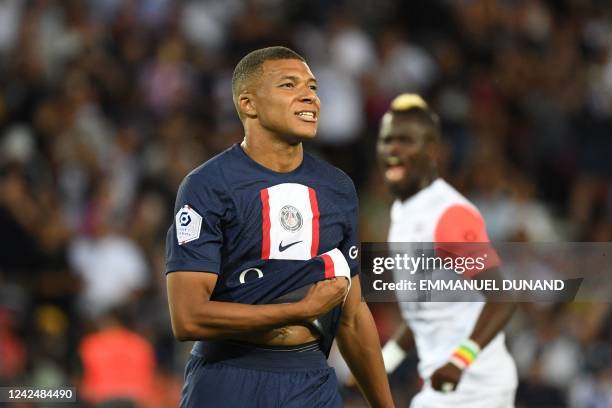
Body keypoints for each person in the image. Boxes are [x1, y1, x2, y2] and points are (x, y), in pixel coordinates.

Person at [165, 46, 393, 408]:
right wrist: (297, 310)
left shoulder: (337, 188)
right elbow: (188, 318)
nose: (309, 96)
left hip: (310, 379)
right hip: (228, 377)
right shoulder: (208, 185)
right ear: (248, 104)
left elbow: (351, 317)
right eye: (289, 85)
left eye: (313, 87)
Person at [377, 94, 518, 407]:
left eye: (405, 141)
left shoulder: (447, 215)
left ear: (433, 151)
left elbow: (503, 299)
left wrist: (459, 361)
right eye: (386, 140)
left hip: (475, 386)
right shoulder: (404, 211)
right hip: (445, 385)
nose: (392, 149)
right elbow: (422, 313)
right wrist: (381, 364)